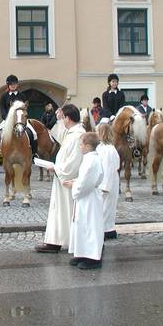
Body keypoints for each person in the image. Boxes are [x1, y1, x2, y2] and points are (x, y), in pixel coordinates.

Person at [34, 104, 86, 254]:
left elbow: (74, 162)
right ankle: (54, 240)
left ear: (68, 118)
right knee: (58, 210)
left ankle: (62, 240)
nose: (62, 121)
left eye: (63, 118)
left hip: (67, 180)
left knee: (64, 211)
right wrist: (57, 119)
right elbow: (59, 137)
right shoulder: (72, 132)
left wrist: (55, 168)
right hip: (61, 178)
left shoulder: (77, 135)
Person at [64, 132, 105, 270]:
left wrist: (74, 186)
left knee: (90, 227)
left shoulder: (91, 160)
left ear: (88, 146)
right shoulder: (89, 158)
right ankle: (82, 253)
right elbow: (84, 179)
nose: (79, 147)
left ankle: (93, 258)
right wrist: (75, 182)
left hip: (88, 198)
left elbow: (86, 182)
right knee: (81, 226)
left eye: (81, 144)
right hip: (85, 197)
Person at [0, 75, 38, 166]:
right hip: (8, 121)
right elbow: (3, 110)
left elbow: (25, 108)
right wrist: (8, 118)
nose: (13, 86)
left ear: (17, 85)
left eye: (15, 84)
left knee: (33, 133)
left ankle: (34, 154)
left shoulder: (22, 96)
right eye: (11, 84)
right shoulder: (4, 97)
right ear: (8, 85)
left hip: (21, 120)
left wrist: (22, 118)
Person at [96, 122, 121, 241]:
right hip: (104, 181)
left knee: (107, 207)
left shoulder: (108, 150)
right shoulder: (101, 147)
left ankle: (107, 230)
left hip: (108, 182)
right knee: (103, 207)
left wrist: (104, 185)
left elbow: (108, 168)